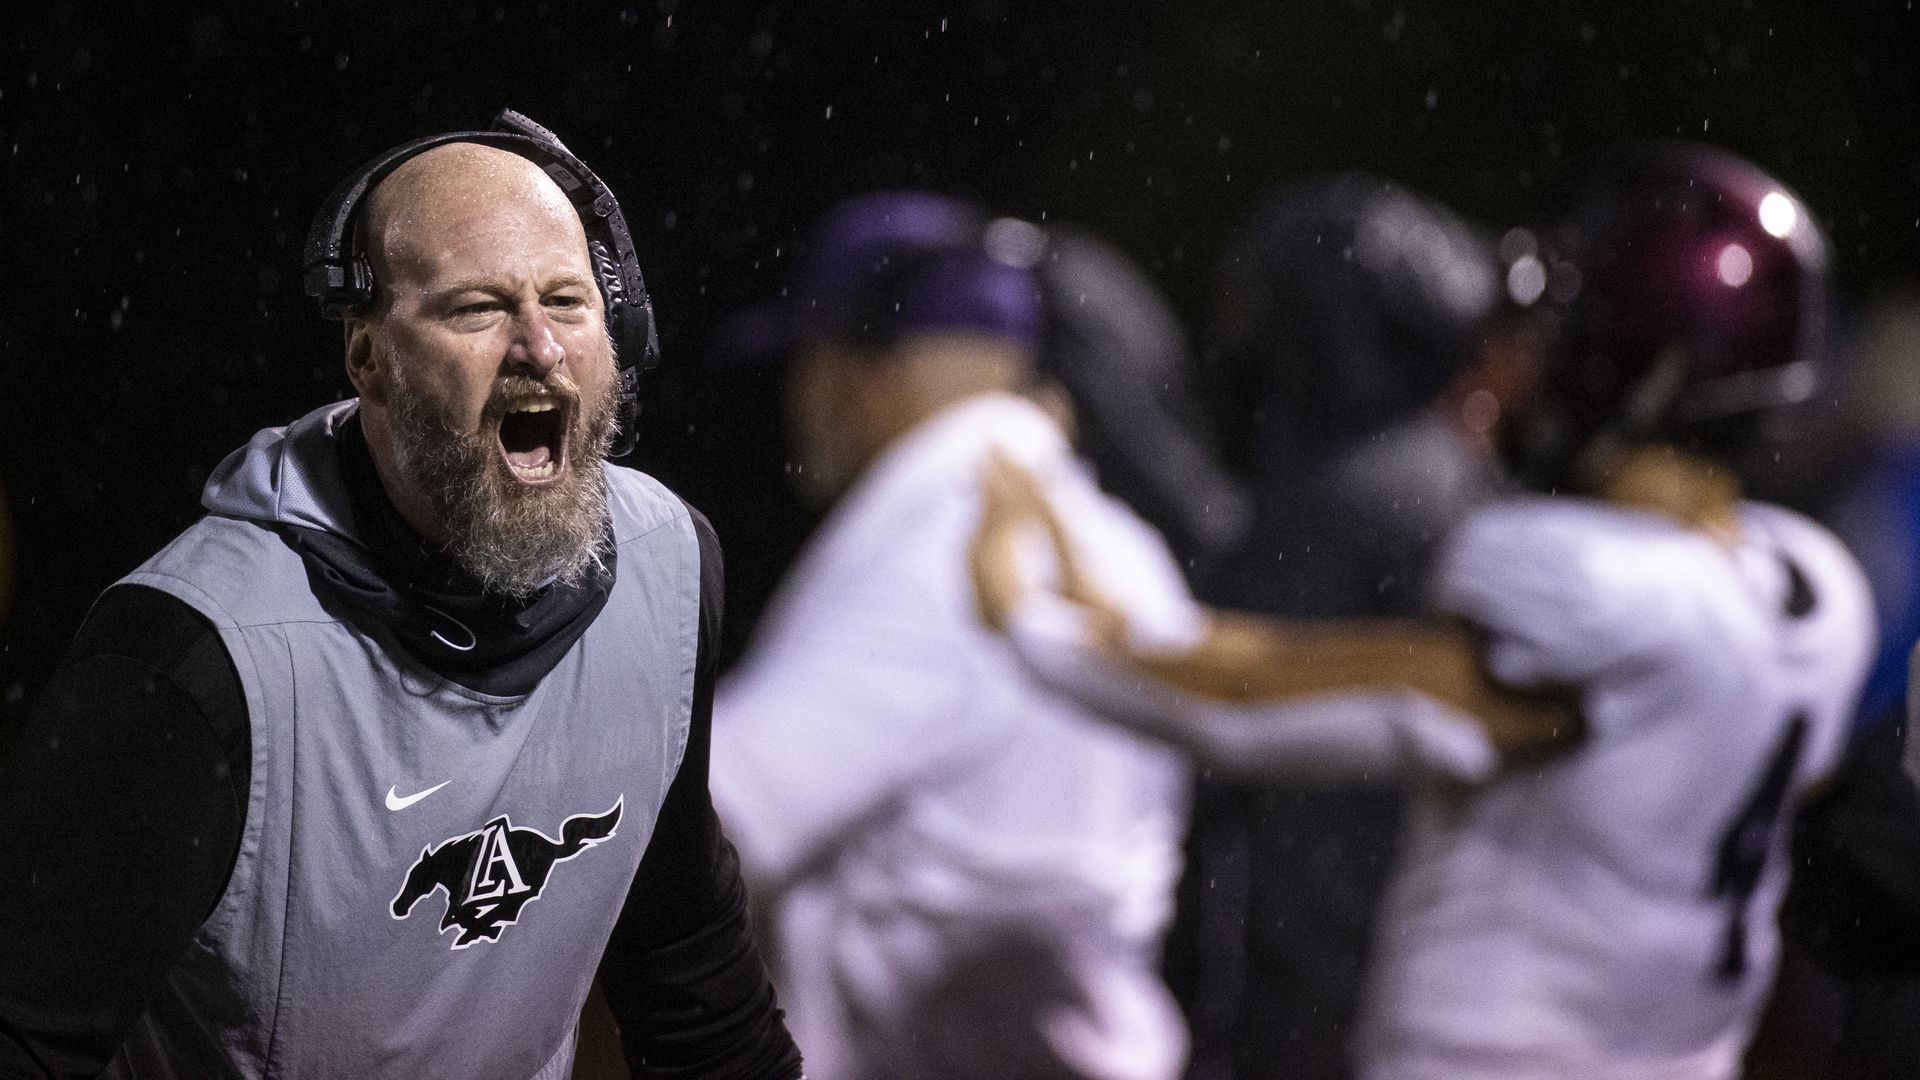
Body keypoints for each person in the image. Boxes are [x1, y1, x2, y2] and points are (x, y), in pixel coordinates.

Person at [972, 144, 1874, 1080]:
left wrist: (1031, 618)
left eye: (1559, 334)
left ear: (1639, 366)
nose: (1522, 363)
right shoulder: (1812, 591)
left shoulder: (1596, 588)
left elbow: (1250, 697)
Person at [0, 112, 800, 1079]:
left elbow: (687, 965)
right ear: (368, 359)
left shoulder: (671, 568)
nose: (539, 347)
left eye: (568, 301)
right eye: (476, 309)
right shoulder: (191, 663)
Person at [710, 193, 1196, 1080]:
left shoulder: (938, 547)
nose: (794, 397)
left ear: (862, 376)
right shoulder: (1126, 549)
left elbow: (713, 827)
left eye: (803, 361)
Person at [1167, 174, 1512, 1080]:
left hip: (1320, 974)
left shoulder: (1357, 497)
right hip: (1419, 955)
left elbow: (1235, 719)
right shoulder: (1453, 475)